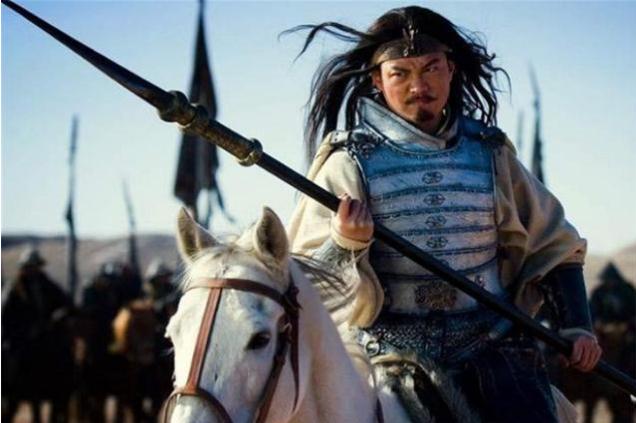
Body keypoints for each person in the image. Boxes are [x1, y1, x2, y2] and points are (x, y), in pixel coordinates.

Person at [287, 6, 601, 422]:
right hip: (386, 358)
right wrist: (344, 243)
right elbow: (304, 280)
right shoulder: (348, 162)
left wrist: (577, 325)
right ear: (378, 80)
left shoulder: (490, 152)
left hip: (493, 348)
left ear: (451, 69)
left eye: (431, 68)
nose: (419, 86)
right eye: (400, 73)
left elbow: (555, 245)